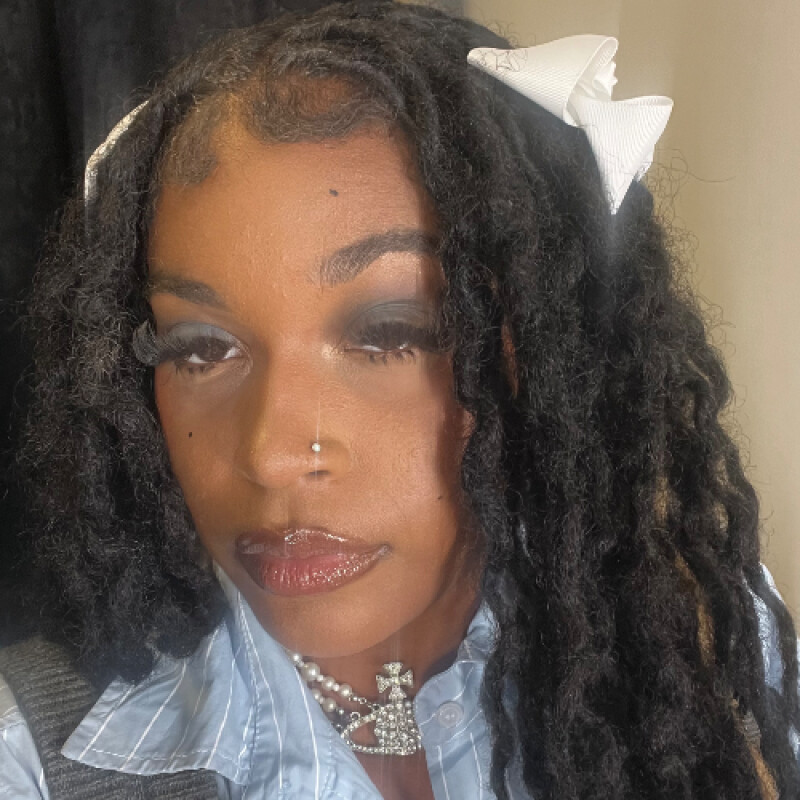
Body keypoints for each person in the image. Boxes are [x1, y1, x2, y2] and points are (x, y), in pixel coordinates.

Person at [1, 2, 797, 798]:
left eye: (390, 332)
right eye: (201, 348)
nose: (272, 455)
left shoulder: (696, 642)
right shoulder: (31, 757)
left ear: (537, 350)